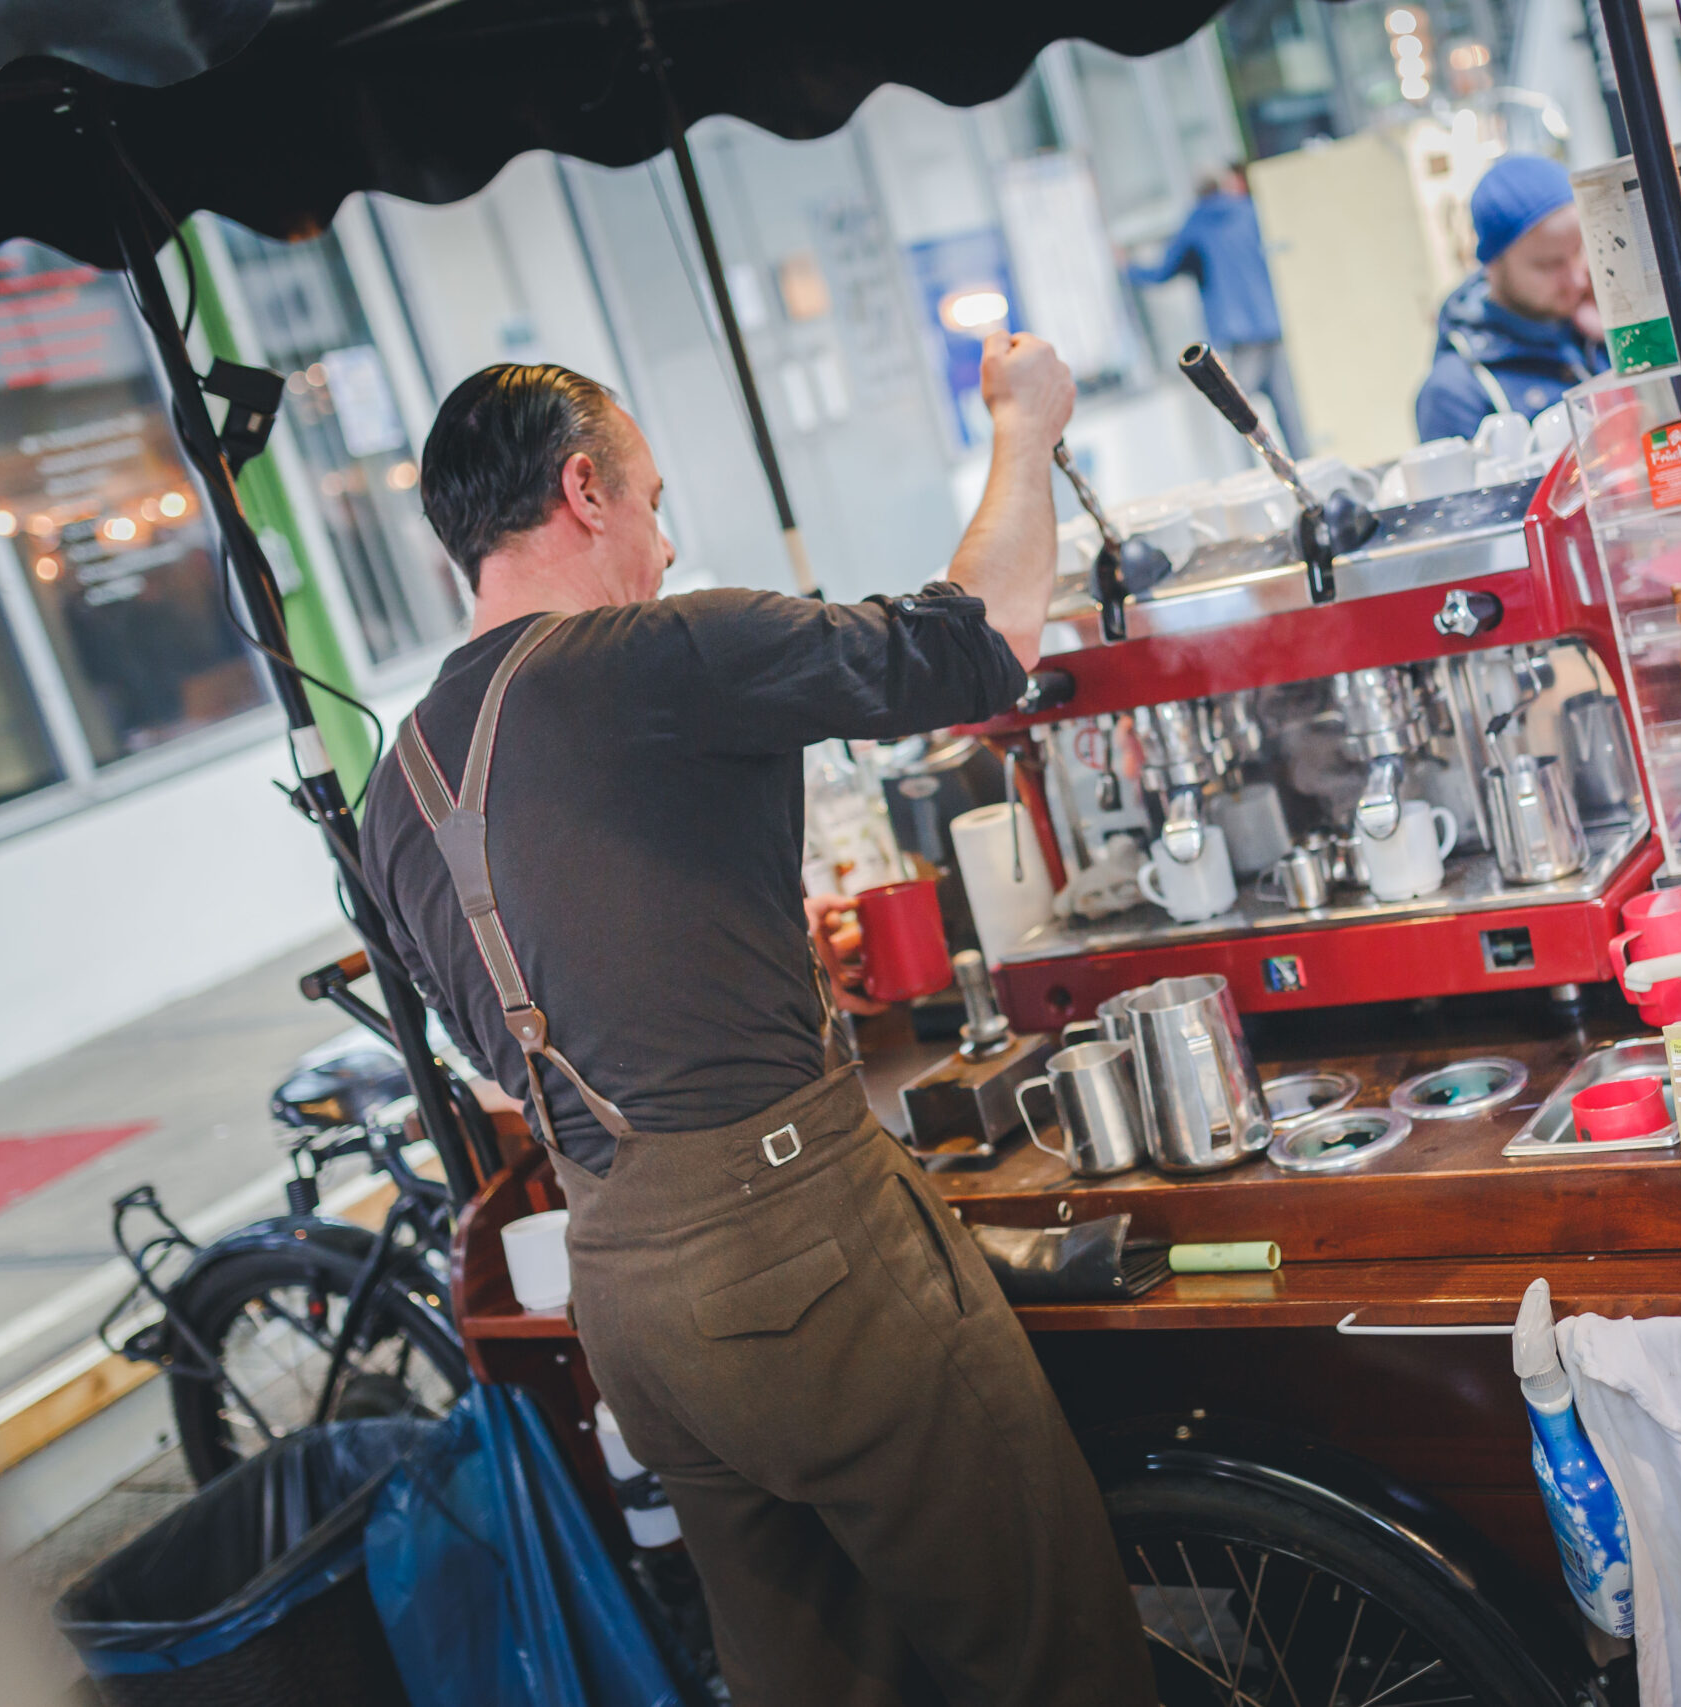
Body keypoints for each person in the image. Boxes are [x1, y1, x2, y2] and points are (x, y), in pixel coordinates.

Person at [359, 349, 1158, 1705]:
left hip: (629, 1302)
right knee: (1049, 1650)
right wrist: (1024, 429)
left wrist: (731, 968)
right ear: (583, 490)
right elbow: (980, 644)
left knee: (815, 1681)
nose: (667, 546)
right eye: (653, 501)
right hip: (805, 1266)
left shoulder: (399, 788)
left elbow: (510, 1050)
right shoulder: (655, 654)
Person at [1415, 154, 1611, 443]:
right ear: (1492, 265)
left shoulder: (1593, 330)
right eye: (1549, 265)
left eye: (1578, 251)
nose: (1577, 279)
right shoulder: (1455, 393)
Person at [1128, 162, 1307, 454]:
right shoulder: (1249, 211)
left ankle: (1253, 473)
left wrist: (1127, 268)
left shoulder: (1196, 224)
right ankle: (1302, 467)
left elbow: (1163, 272)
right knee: (1290, 414)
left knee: (1238, 414)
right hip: (1269, 323)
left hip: (1238, 334)